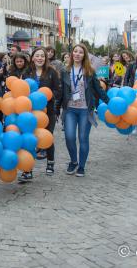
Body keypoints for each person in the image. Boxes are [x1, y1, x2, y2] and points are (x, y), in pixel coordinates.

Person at [57, 43, 109, 178]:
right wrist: (56, 109)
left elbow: (99, 90)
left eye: (80, 52)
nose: (77, 54)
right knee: (69, 137)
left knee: (83, 138)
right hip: (70, 110)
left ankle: (81, 166)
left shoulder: (89, 71)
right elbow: (61, 91)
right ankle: (73, 161)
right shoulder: (65, 71)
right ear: (71, 54)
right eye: (75, 51)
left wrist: (110, 103)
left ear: (84, 55)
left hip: (85, 110)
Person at [22, 47, 61, 181]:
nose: (39, 58)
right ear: (32, 58)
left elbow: (57, 90)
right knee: (29, 140)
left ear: (46, 59)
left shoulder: (52, 72)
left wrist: (46, 97)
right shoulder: (27, 72)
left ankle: (50, 162)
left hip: (48, 111)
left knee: (47, 137)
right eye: (37, 56)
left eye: (42, 56)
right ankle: (27, 170)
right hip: (30, 112)